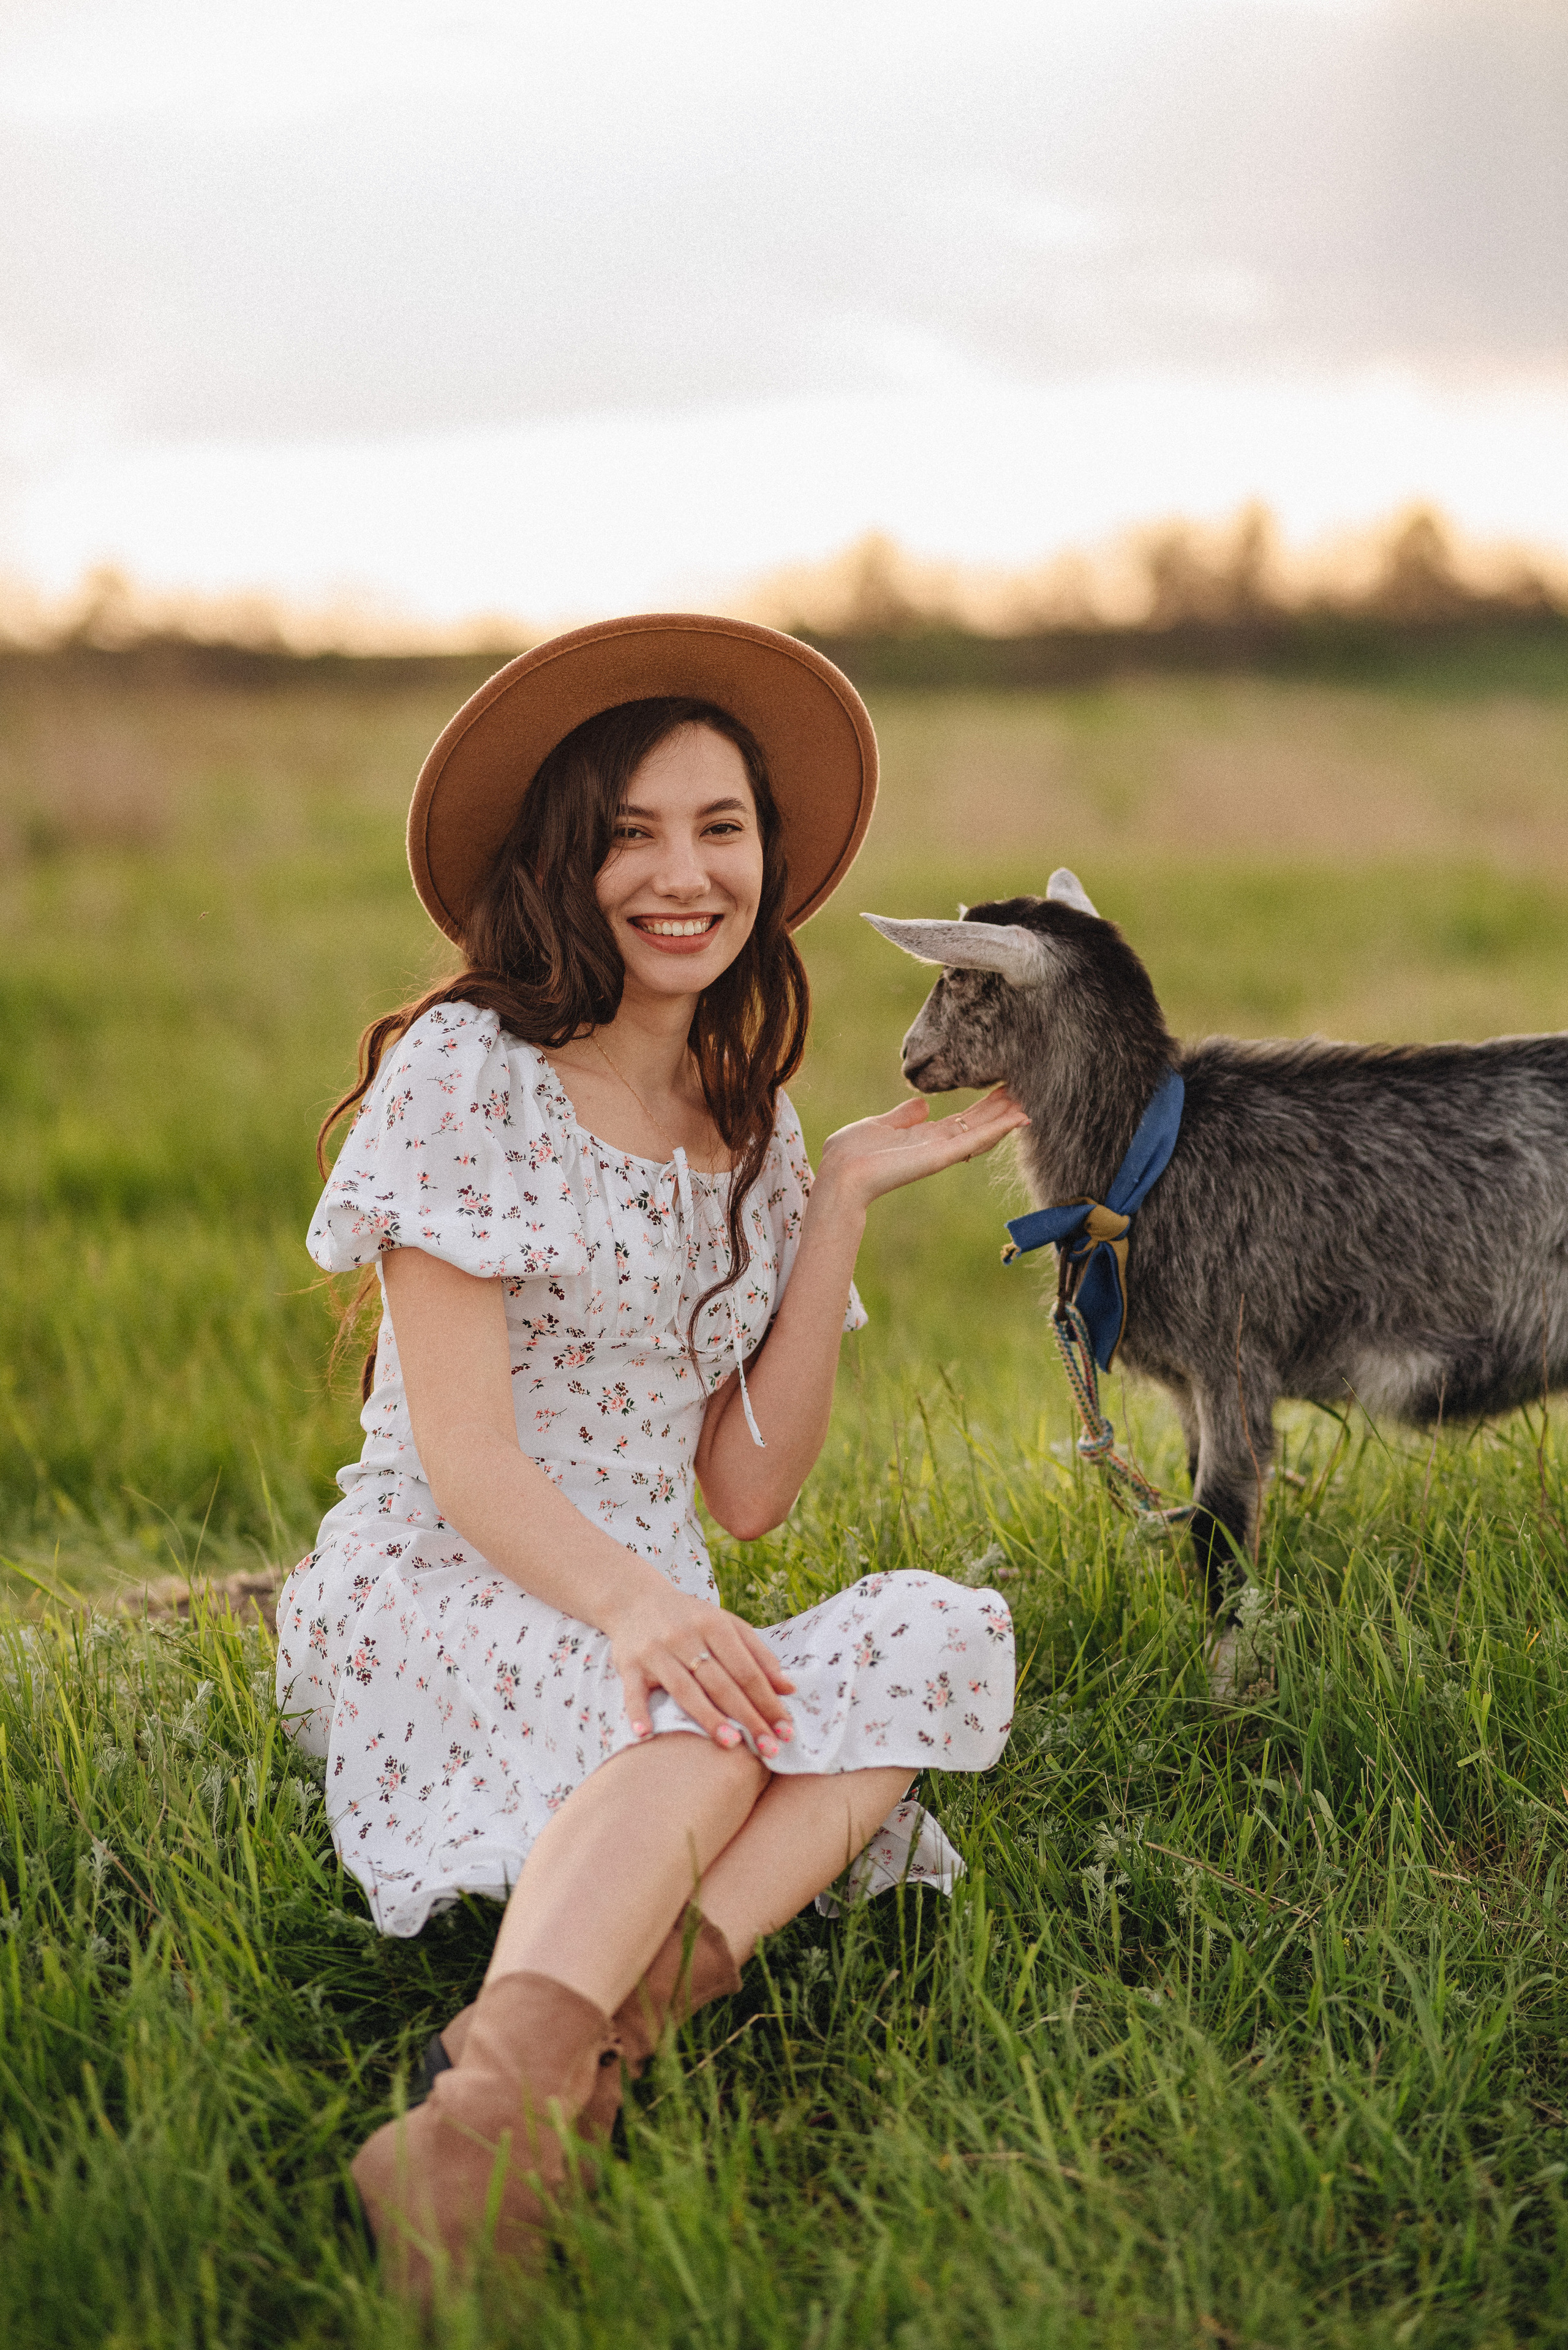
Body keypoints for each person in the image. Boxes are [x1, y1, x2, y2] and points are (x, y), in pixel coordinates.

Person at [274, 614, 1025, 2289]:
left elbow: (748, 1498)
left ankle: (609, 2037)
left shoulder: (753, 1124)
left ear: (767, 857)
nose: (681, 876)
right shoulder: (472, 1071)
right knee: (713, 1708)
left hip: (654, 1609)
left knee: (939, 1632)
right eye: (629, 835)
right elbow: (465, 1455)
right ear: (563, 862)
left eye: (719, 829)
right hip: (453, 1579)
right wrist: (632, 1611)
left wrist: (833, 1199)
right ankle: (484, 2138)